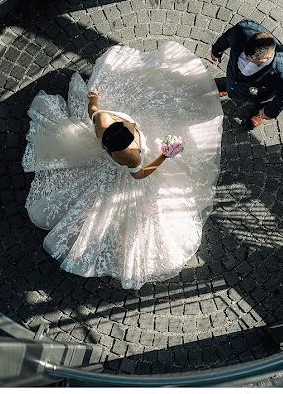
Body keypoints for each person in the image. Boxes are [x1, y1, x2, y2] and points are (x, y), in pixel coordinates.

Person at [22, 41, 223, 290]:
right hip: (126, 176)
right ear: (124, 145)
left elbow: (92, 108)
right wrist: (163, 156)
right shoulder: (129, 156)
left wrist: (94, 98)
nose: (133, 127)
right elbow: (140, 175)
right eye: (131, 131)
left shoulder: (103, 121)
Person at [210, 19, 283, 129]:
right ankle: (228, 88)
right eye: (246, 55)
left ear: (268, 57)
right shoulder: (241, 31)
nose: (247, 59)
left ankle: (259, 114)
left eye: (252, 59)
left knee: (260, 101)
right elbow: (227, 38)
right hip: (234, 74)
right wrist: (216, 51)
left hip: (260, 91)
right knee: (230, 81)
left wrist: (269, 112)